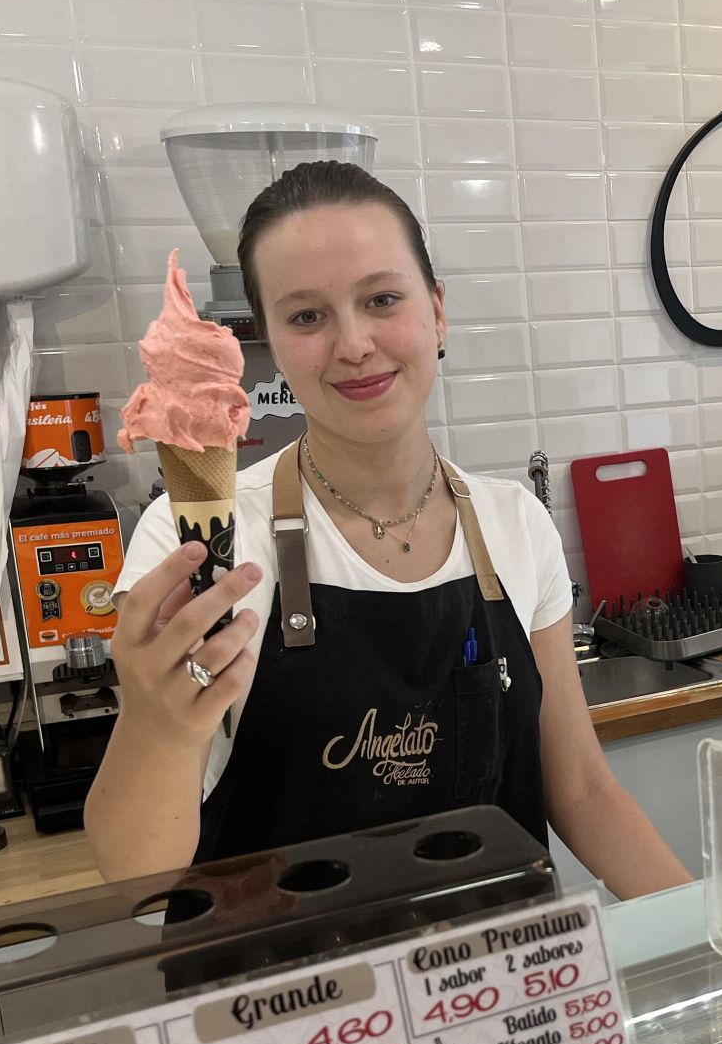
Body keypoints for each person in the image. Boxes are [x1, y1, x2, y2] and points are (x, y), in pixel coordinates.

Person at [86, 162, 690, 898]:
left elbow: (584, 794)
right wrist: (158, 723)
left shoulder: (514, 524)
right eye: (306, 316)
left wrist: (706, 931)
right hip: (287, 996)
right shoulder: (203, 547)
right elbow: (133, 873)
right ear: (271, 341)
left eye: (381, 299)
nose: (354, 344)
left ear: (436, 312)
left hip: (501, 985)